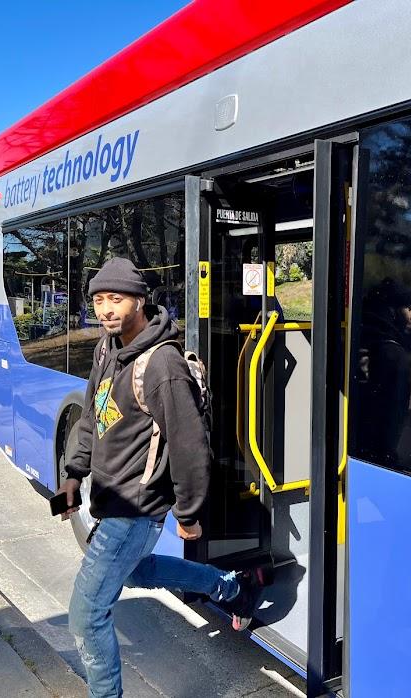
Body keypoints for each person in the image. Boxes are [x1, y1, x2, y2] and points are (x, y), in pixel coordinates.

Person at [55, 257, 261, 698]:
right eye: (98, 300)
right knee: (139, 572)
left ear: (140, 301)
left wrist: (189, 512)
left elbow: (190, 446)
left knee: (87, 615)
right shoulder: (106, 350)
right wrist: (73, 474)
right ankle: (231, 589)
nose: (106, 309)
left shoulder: (161, 365)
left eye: (116, 299)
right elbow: (93, 418)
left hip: (137, 507)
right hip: (109, 500)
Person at [356, 278, 411, 468]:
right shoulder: (393, 356)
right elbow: (391, 418)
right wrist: (388, 458)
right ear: (391, 311)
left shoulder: (362, 344)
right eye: (409, 308)